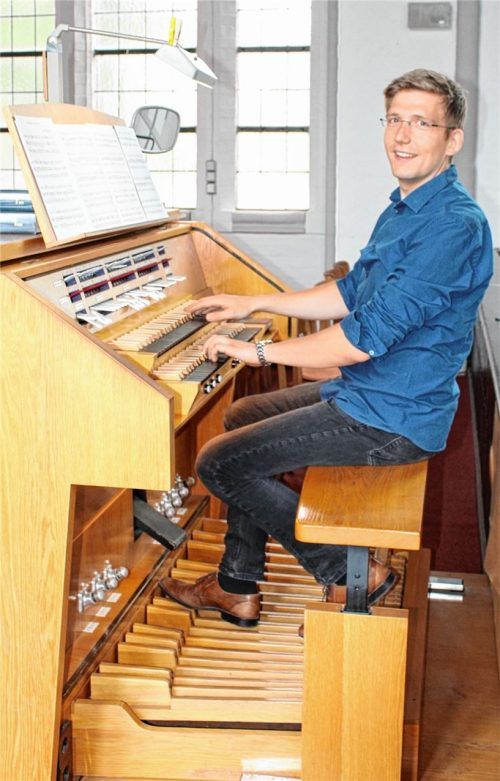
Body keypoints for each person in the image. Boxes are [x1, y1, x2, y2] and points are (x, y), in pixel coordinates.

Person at [159, 69, 493, 628]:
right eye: (394, 120)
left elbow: (362, 339)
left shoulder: (453, 226)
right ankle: (237, 585)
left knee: (218, 463)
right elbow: (348, 292)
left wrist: (261, 355)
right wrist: (254, 303)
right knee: (241, 416)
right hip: (373, 394)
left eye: (421, 123)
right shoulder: (406, 207)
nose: (402, 136)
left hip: (393, 420)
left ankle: (343, 571)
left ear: (451, 139)